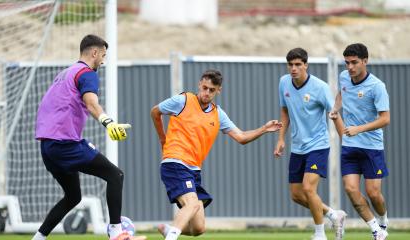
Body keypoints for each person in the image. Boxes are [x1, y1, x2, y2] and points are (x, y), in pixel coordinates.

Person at [33, 34, 145, 240]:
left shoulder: (65, 73)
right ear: (94, 52)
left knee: (73, 197)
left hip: (48, 147)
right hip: (65, 144)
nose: (103, 61)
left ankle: (38, 238)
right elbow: (91, 103)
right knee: (115, 175)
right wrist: (108, 123)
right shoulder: (87, 73)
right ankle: (116, 232)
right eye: (102, 55)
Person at [150, 69, 282, 240]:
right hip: (175, 162)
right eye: (204, 87)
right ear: (199, 84)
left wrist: (263, 129)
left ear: (218, 90)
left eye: (211, 90)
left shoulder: (218, 114)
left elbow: (241, 137)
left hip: (194, 170)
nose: (206, 93)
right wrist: (162, 139)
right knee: (191, 204)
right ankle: (172, 236)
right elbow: (155, 111)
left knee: (198, 228)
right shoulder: (183, 100)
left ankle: (170, 230)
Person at [273, 48, 347, 240]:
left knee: (308, 189)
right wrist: (281, 138)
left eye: (298, 64)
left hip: (318, 146)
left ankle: (319, 234)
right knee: (297, 195)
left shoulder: (320, 88)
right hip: (297, 147)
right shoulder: (283, 83)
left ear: (306, 65)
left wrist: (345, 140)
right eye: (290, 65)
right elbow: (284, 111)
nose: (294, 68)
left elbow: (334, 113)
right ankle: (333, 214)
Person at [330, 43, 390, 240]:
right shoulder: (343, 77)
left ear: (365, 61)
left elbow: (385, 119)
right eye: (347, 62)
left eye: (354, 62)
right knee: (350, 189)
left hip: (372, 147)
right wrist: (335, 109)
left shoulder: (377, 86)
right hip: (350, 147)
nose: (350, 67)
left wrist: (358, 129)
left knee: (373, 194)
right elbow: (341, 94)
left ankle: (383, 219)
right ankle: (375, 230)